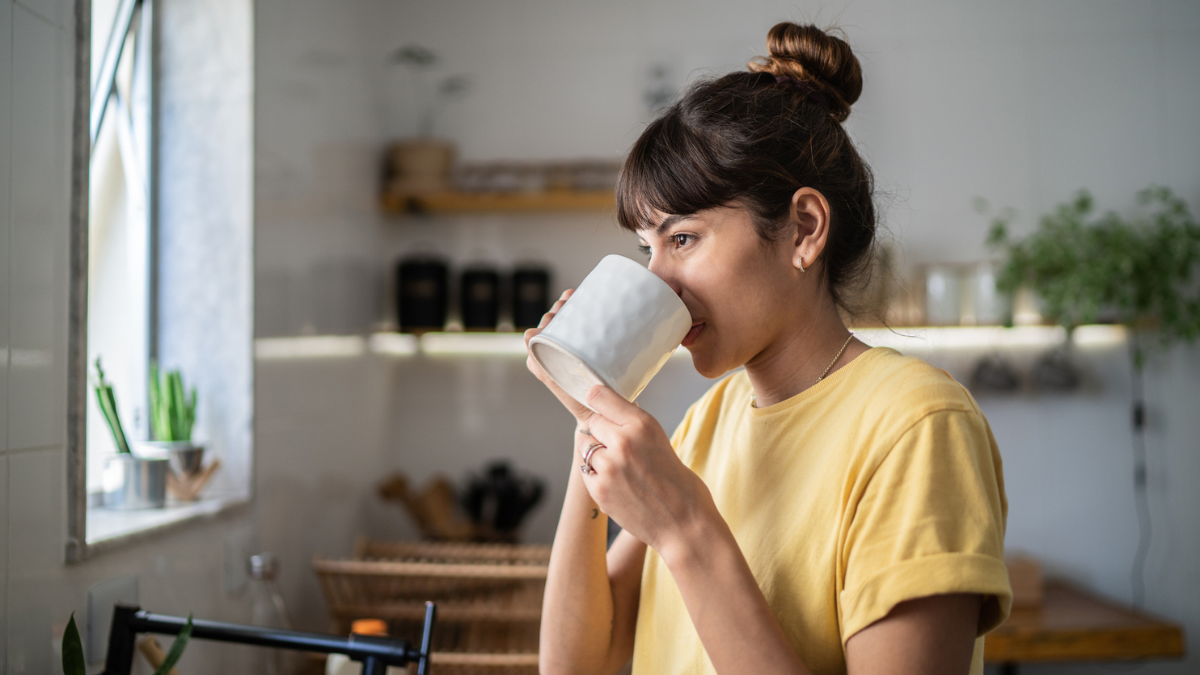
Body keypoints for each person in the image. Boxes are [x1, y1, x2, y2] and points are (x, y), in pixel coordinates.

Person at [524, 22, 1011, 675]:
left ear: (803, 230)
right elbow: (580, 665)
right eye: (648, 247)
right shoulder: (707, 423)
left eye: (685, 239)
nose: (656, 279)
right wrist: (594, 415)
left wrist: (686, 528)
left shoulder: (917, 425)